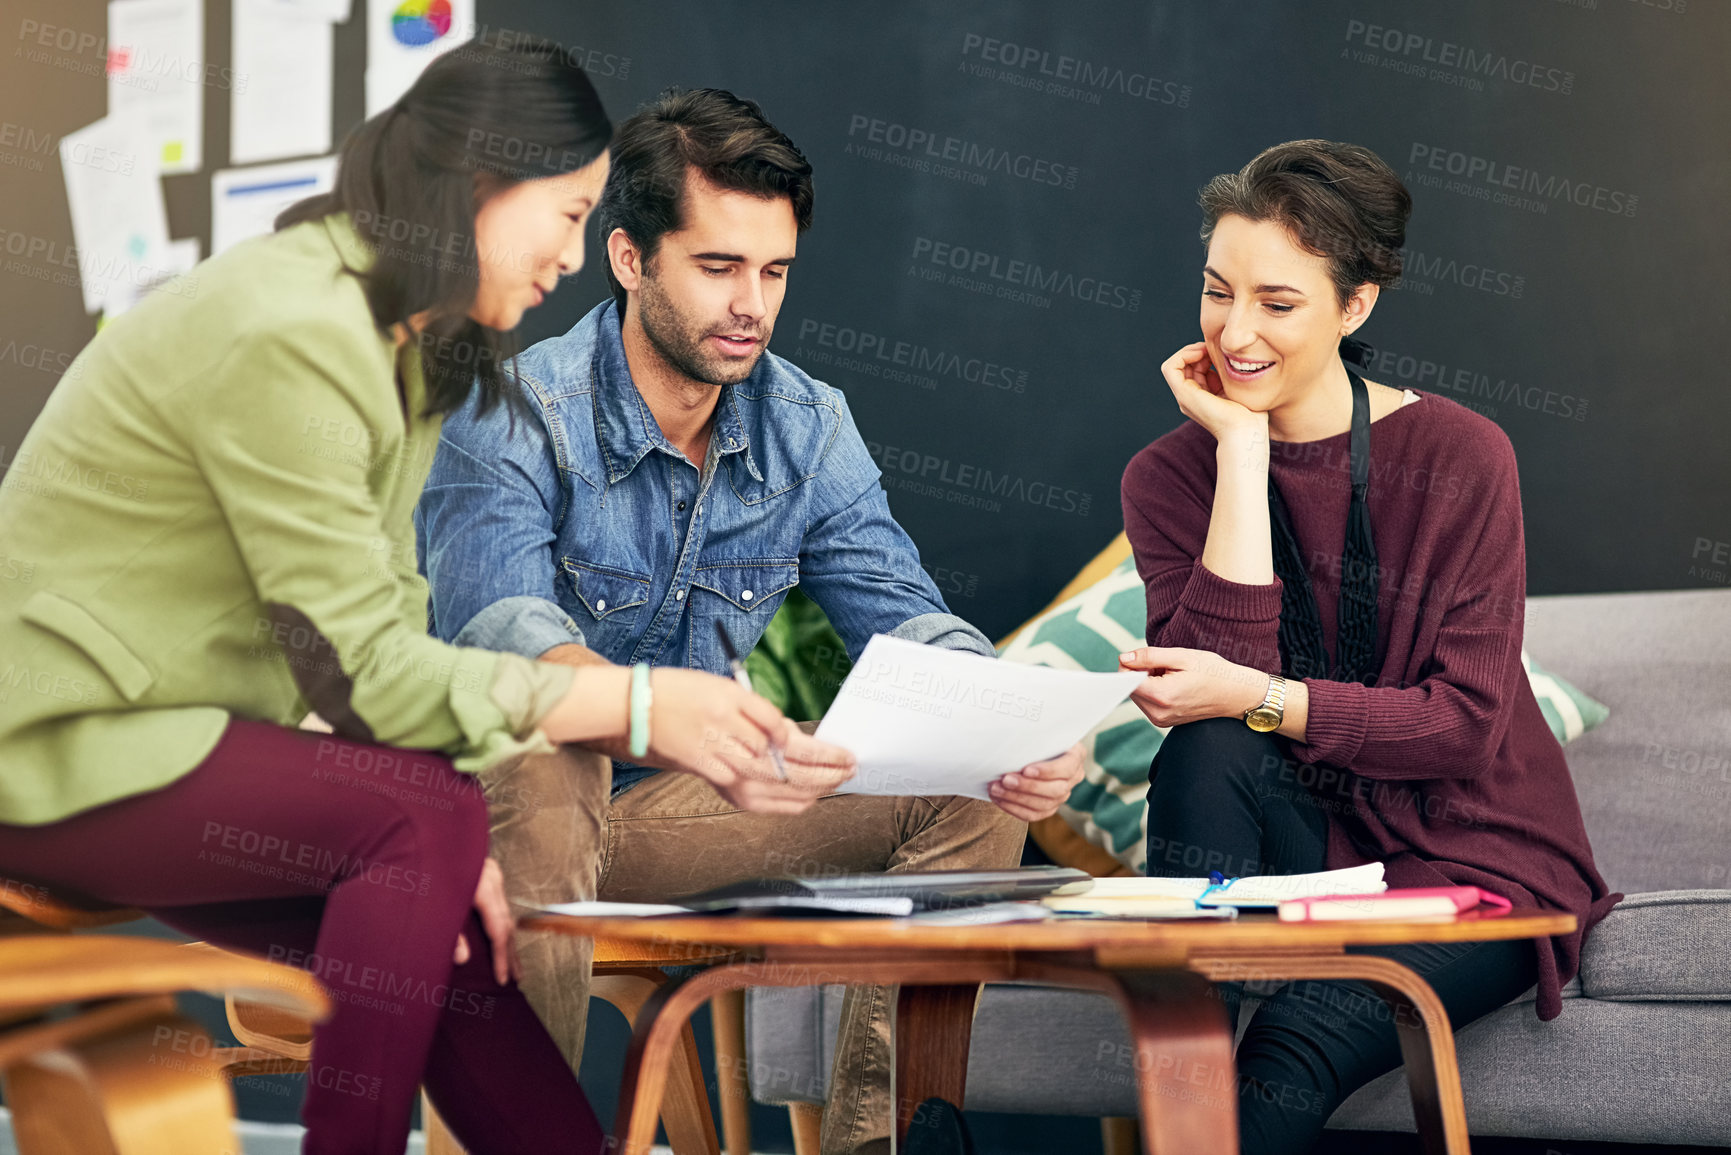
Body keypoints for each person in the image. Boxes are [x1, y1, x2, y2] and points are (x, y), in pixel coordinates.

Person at [0, 39, 852, 1155]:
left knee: (457, 911)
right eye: (564, 213)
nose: (569, 255)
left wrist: (454, 857)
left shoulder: (406, 343)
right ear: (479, 184)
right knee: (425, 818)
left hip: (166, 743)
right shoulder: (294, 328)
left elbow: (389, 619)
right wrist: (644, 709)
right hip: (56, 747)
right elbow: (364, 669)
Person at [414, 87, 1084, 1155]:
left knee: (967, 783)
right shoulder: (512, 416)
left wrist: (1012, 722)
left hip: (677, 823)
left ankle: (878, 1141)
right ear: (629, 259)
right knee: (553, 753)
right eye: (718, 268)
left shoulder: (807, 426)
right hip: (499, 831)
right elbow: (506, 638)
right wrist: (648, 711)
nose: (751, 307)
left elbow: (904, 613)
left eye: (773, 273)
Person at [1116, 139, 1620, 1154]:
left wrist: (1265, 696)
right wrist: (1244, 452)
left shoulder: (1465, 457)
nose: (1235, 331)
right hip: (1324, 853)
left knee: (1290, 1051)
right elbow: (1203, 695)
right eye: (1219, 293)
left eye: (1278, 303)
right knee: (1206, 748)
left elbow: (1464, 728)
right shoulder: (1170, 476)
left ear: (1357, 308)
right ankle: (1184, 1035)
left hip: (1480, 857)